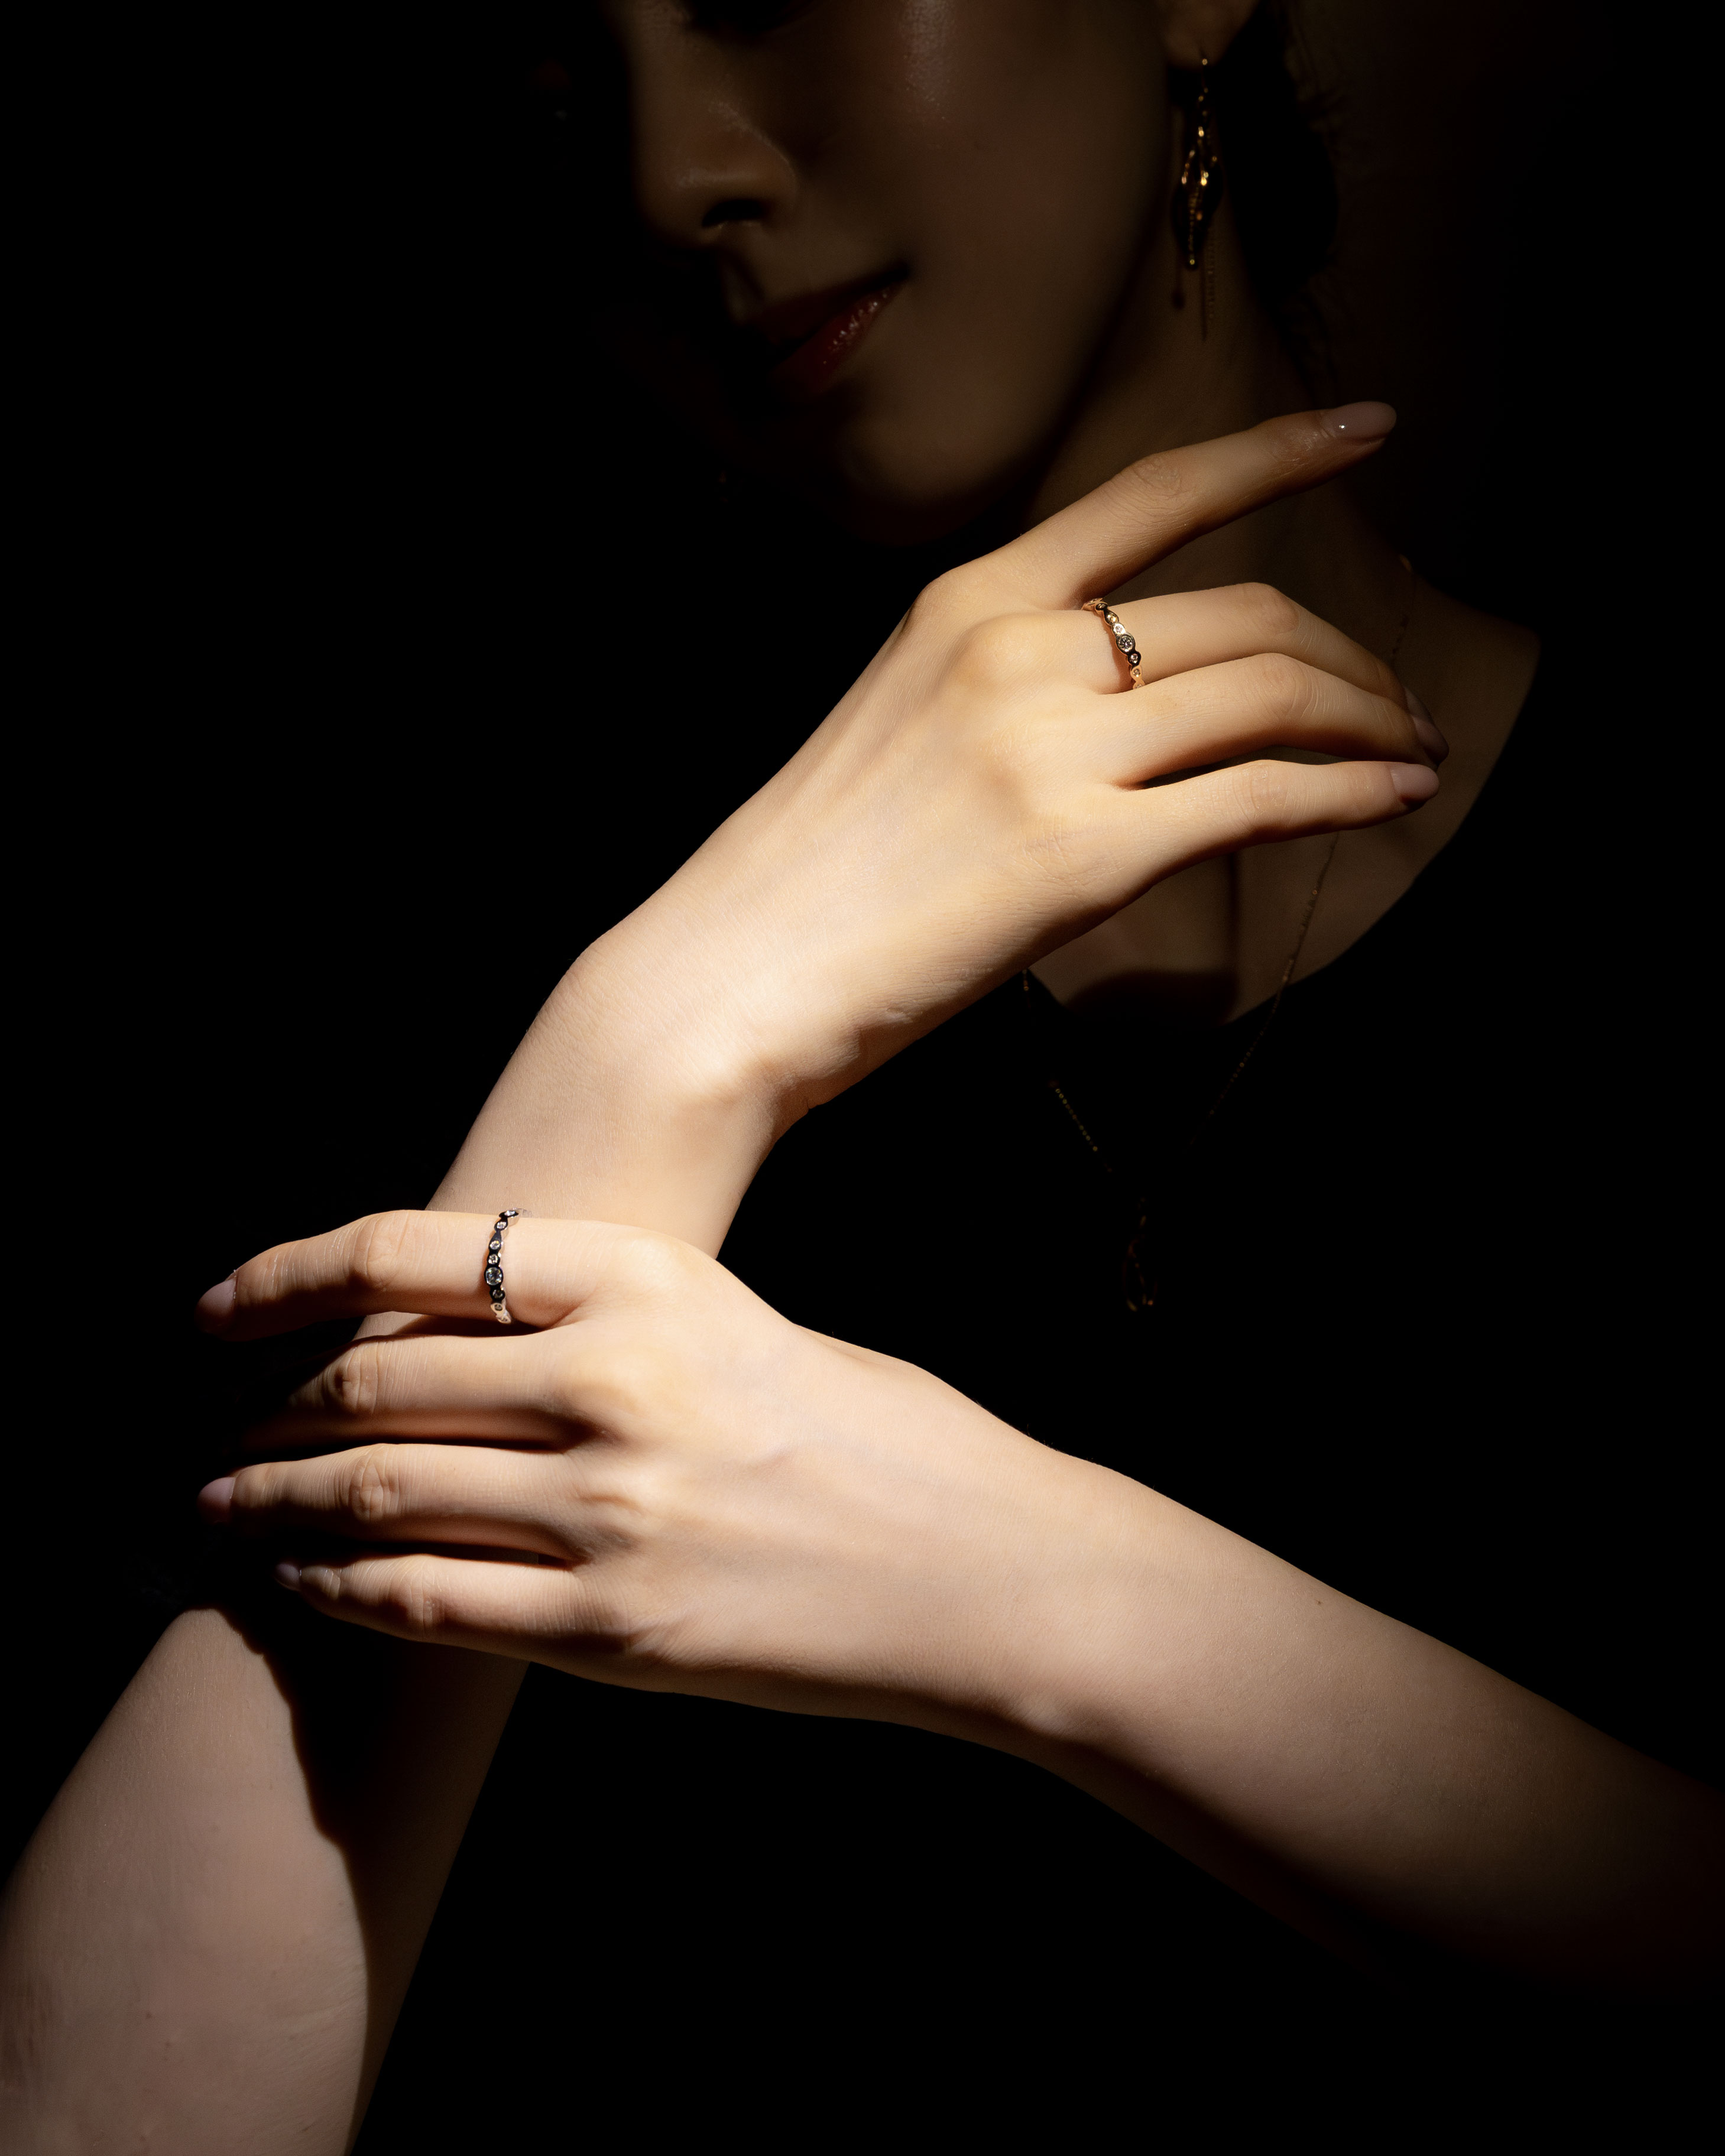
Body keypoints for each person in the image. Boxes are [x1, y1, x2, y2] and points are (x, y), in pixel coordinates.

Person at [4, 4, 1717, 2149]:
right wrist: (661, 1038)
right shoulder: (382, 901)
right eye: (557, 87)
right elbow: (108, 2119)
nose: (671, 176)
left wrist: (1009, 1584)